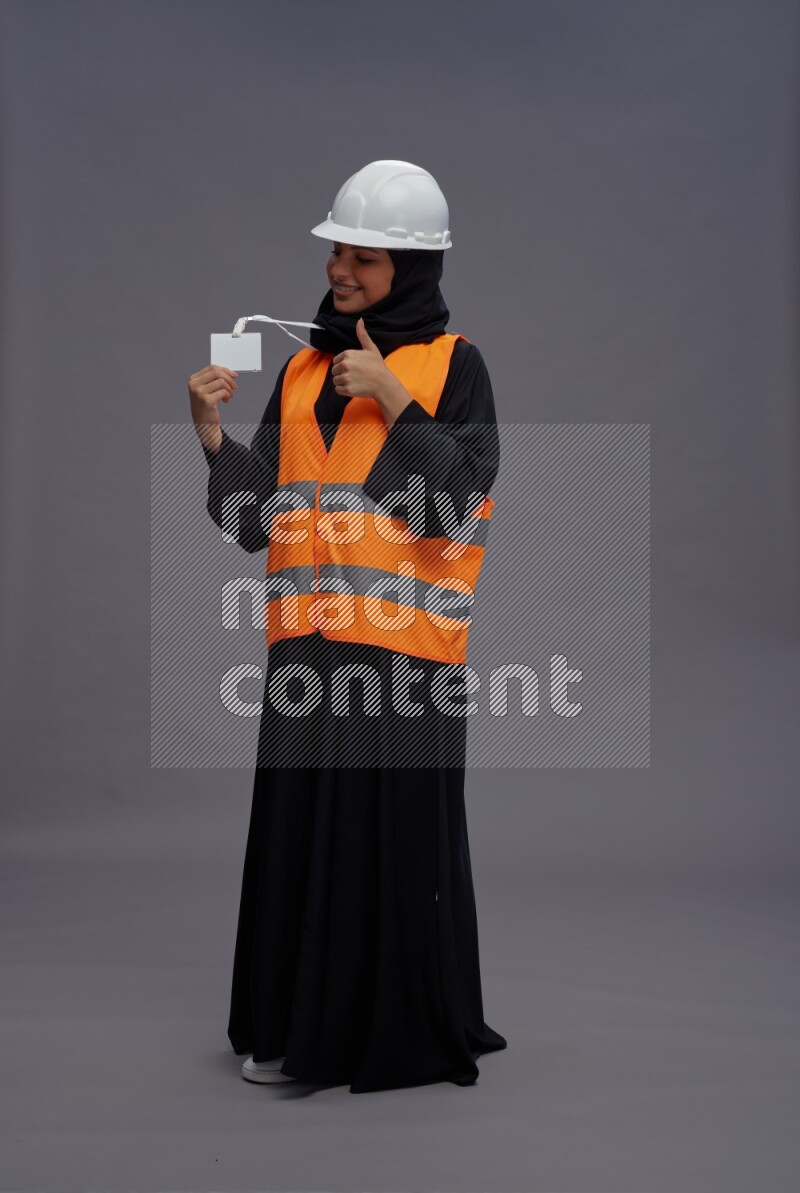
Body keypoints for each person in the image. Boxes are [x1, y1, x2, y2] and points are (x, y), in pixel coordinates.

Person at [188, 160, 507, 1093]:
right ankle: (292, 1027)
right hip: (305, 657)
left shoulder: (455, 367)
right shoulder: (299, 369)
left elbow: (454, 504)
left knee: (388, 848)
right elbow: (259, 521)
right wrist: (211, 435)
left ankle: (388, 1037)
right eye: (337, 251)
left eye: (364, 259)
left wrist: (396, 399)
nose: (341, 271)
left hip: (405, 662)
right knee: (297, 839)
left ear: (410, 269)